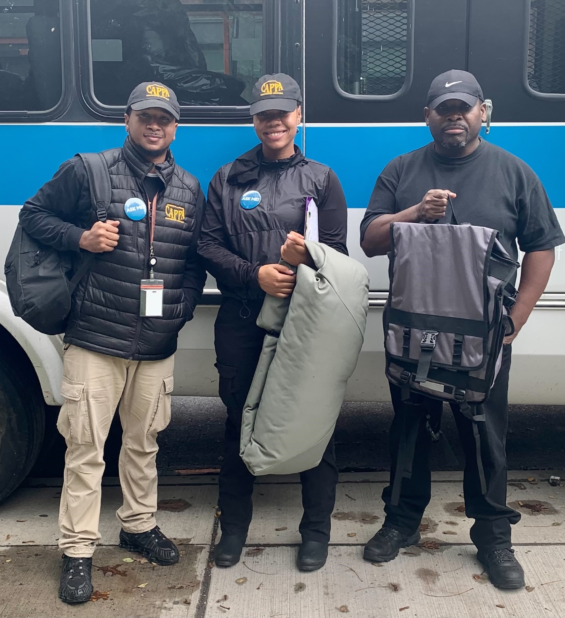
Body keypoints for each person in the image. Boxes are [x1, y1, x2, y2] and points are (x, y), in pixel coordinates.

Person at [359, 70, 565, 590]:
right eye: (443, 108)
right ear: (427, 116)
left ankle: (494, 536)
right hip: (415, 336)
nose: (455, 116)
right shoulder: (401, 170)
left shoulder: (514, 173)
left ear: (482, 113)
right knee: (408, 430)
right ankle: (402, 523)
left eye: (464, 107)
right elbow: (370, 240)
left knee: (484, 435)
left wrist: (518, 315)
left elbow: (542, 246)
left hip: (484, 339)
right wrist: (415, 212)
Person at [19, 82, 206, 604]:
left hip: (155, 346)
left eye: (164, 119)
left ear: (175, 127)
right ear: (127, 119)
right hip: (95, 340)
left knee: (144, 444)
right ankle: (78, 551)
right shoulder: (89, 170)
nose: (154, 126)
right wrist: (80, 237)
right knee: (85, 450)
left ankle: (138, 525)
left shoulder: (190, 189)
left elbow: (194, 262)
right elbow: (34, 215)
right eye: (145, 116)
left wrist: (180, 309)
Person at [198, 73, 348, 572]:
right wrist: (254, 274)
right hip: (242, 318)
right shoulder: (227, 178)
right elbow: (206, 245)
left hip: (302, 327)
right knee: (239, 421)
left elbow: (339, 257)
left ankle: (316, 533)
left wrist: (308, 257)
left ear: (298, 116)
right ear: (254, 120)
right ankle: (235, 528)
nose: (273, 121)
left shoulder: (323, 179)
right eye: (264, 114)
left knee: (314, 424)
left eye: (282, 112)